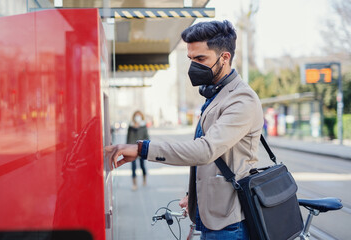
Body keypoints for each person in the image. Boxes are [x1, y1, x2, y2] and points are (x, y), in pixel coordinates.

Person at [105, 20, 263, 240]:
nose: (193, 66)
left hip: (229, 223)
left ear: (225, 57)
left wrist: (143, 149)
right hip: (208, 215)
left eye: (200, 59)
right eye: (190, 59)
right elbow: (214, 162)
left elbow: (205, 150)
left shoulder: (241, 99)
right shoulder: (216, 95)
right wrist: (195, 197)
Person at [126, 110, 149, 191]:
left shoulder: (143, 126)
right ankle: (134, 184)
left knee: (142, 165)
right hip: (132, 149)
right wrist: (127, 148)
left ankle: (144, 179)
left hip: (141, 149)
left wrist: (145, 147)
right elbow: (128, 138)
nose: (137, 117)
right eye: (136, 116)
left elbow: (147, 137)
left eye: (139, 116)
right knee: (133, 167)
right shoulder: (131, 126)